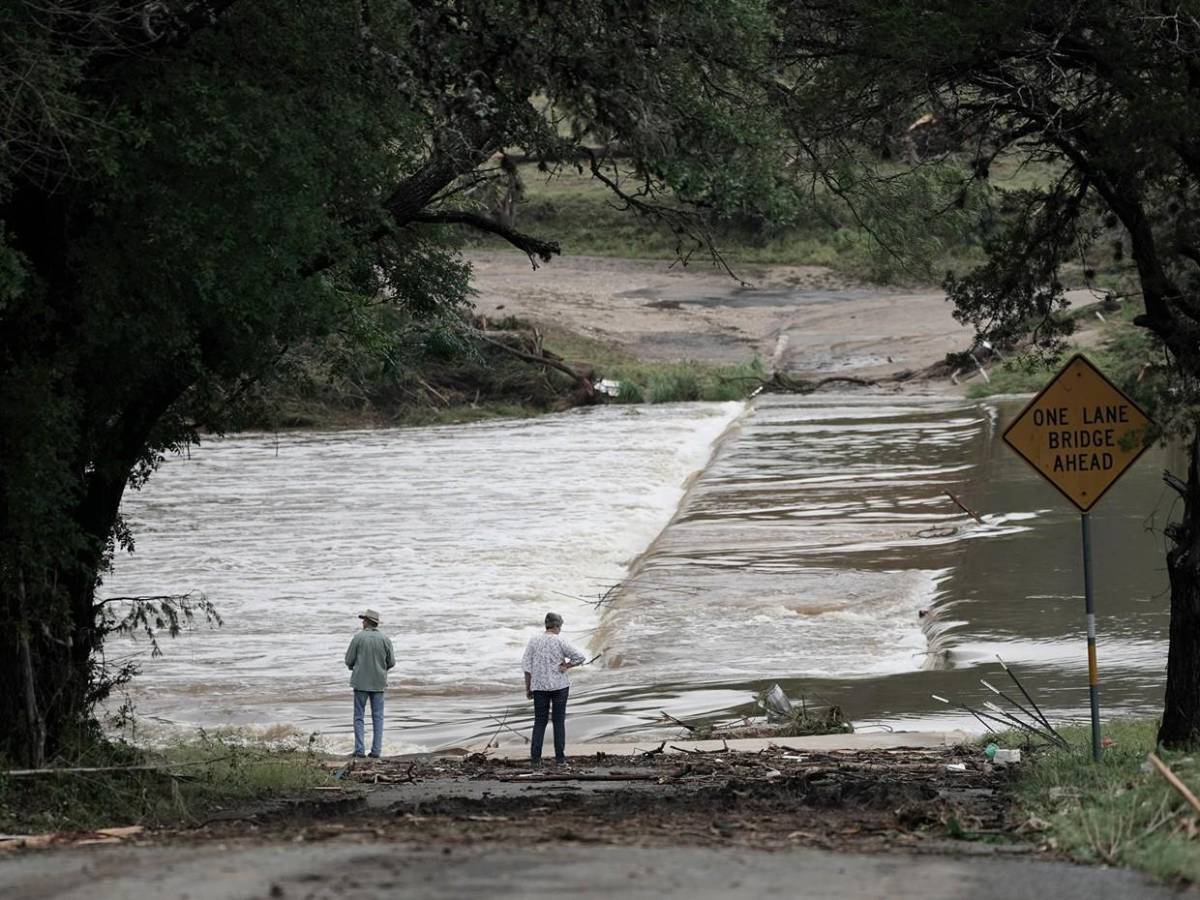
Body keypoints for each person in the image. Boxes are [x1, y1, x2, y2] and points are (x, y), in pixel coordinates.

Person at [522, 612, 586, 766]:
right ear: (558, 626)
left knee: (539, 722)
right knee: (558, 721)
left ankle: (535, 760)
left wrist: (528, 687)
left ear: (546, 625)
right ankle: (560, 759)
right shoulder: (560, 640)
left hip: (539, 687)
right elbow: (580, 657)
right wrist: (566, 666)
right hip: (559, 686)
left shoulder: (533, 640)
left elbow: (526, 666)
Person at [344, 608, 395, 758]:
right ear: (376, 623)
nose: (362, 622)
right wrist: (381, 669)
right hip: (379, 682)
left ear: (367, 622)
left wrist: (354, 667)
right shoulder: (385, 639)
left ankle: (359, 750)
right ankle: (376, 751)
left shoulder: (358, 638)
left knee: (359, 716)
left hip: (360, 682)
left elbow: (348, 660)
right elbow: (391, 662)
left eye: (363, 620)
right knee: (378, 717)